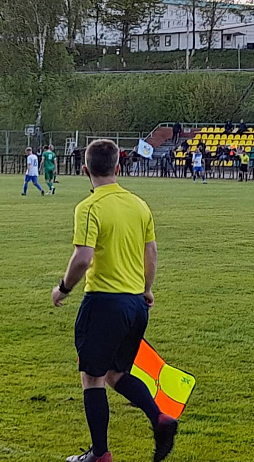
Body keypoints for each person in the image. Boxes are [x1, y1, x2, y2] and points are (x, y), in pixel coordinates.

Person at [50, 139, 178, 462]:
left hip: (104, 302)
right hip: (136, 305)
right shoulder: (139, 205)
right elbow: (151, 253)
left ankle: (100, 454)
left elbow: (82, 258)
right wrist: (147, 289)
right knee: (115, 374)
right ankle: (161, 418)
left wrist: (63, 288)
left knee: (92, 377)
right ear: (118, 168)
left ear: (84, 170)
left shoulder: (89, 207)